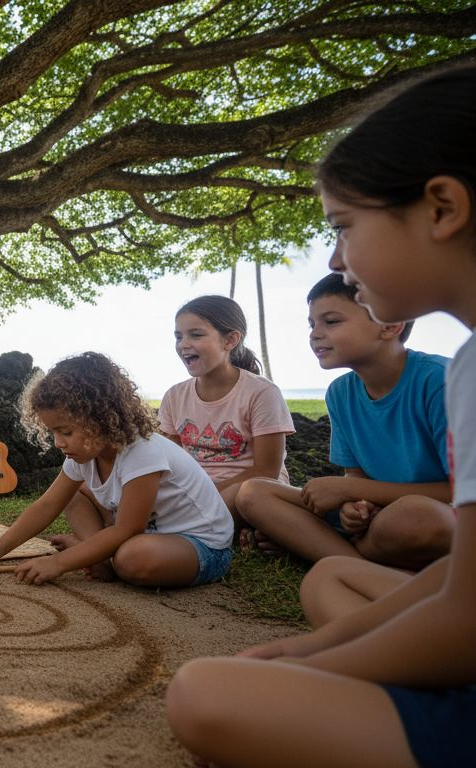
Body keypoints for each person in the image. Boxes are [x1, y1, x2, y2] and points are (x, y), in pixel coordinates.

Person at [166, 65, 476, 768]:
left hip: (454, 615)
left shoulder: (452, 374)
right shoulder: (454, 370)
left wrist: (310, 666)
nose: (336, 257)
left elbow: (464, 617)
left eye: (343, 226)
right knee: (326, 583)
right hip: (436, 590)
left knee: (203, 694)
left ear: (441, 208)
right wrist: (307, 645)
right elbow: (461, 591)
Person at [236, 273, 452, 570]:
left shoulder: (441, 381)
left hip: (440, 515)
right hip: (376, 515)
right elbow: (357, 477)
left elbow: (459, 490)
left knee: (415, 516)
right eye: (312, 324)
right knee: (253, 492)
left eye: (332, 321)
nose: (314, 334)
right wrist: (355, 507)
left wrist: (353, 492)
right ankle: (362, 567)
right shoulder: (340, 392)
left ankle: (322, 548)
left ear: (390, 325)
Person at [0, 352, 234, 588]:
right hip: (144, 537)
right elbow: (46, 506)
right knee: (75, 496)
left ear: (101, 419)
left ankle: (101, 556)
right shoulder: (81, 454)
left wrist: (59, 563)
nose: (58, 442)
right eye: (52, 432)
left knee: (133, 558)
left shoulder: (143, 452)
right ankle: (99, 555)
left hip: (200, 545)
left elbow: (127, 530)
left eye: (66, 431)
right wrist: (0, 546)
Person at [158, 295, 294, 517]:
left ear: (230, 340)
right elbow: (169, 460)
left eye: (196, 334)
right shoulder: (174, 396)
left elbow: (267, 470)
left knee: (243, 496)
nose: (183, 344)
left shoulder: (261, 392)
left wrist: (204, 495)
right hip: (193, 491)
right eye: (178, 336)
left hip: (247, 488)